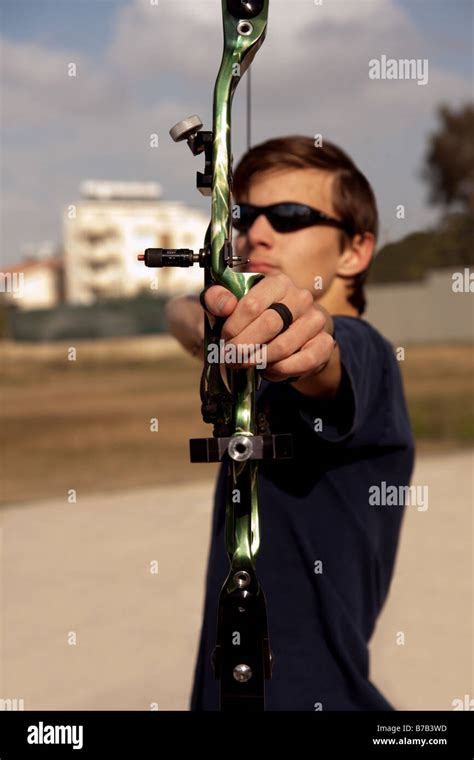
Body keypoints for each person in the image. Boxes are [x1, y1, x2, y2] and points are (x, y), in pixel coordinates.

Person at [165, 136, 415, 711]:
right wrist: (199, 316)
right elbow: (181, 314)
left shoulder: (366, 352)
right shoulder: (234, 344)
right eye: (244, 214)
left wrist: (298, 336)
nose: (257, 233)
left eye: (291, 216)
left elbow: (324, 352)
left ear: (354, 252)